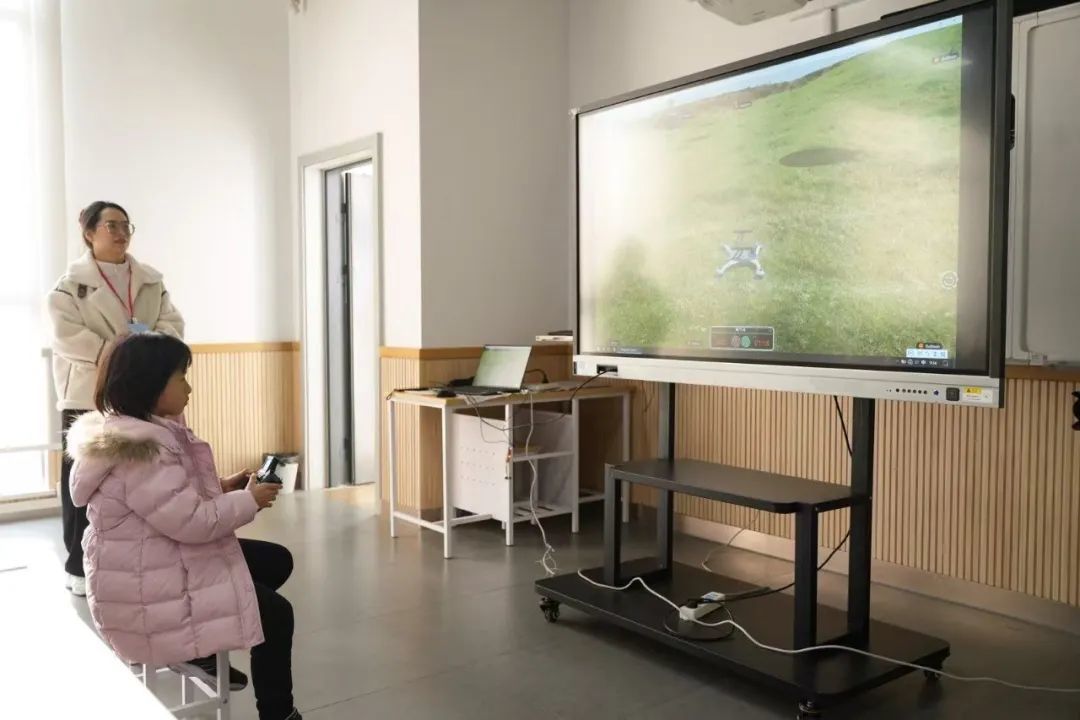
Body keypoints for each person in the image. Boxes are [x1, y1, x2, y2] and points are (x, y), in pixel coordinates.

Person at [66, 334, 301, 720]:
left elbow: (169, 501)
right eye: (181, 378)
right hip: (147, 592)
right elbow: (193, 522)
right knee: (277, 615)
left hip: (153, 562)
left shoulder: (132, 431)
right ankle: (276, 712)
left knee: (276, 561)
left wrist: (223, 487)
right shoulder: (143, 450)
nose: (189, 388)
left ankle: (204, 645)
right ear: (151, 385)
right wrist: (250, 501)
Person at [46, 201, 184, 596]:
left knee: (141, 475)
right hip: (88, 393)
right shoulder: (68, 287)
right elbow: (66, 337)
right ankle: (78, 564)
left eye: (126, 225)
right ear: (89, 232)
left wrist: (149, 348)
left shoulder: (150, 281)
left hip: (140, 391)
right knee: (83, 480)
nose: (122, 233)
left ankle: (138, 559)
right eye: (111, 225)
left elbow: (171, 322)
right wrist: (120, 353)